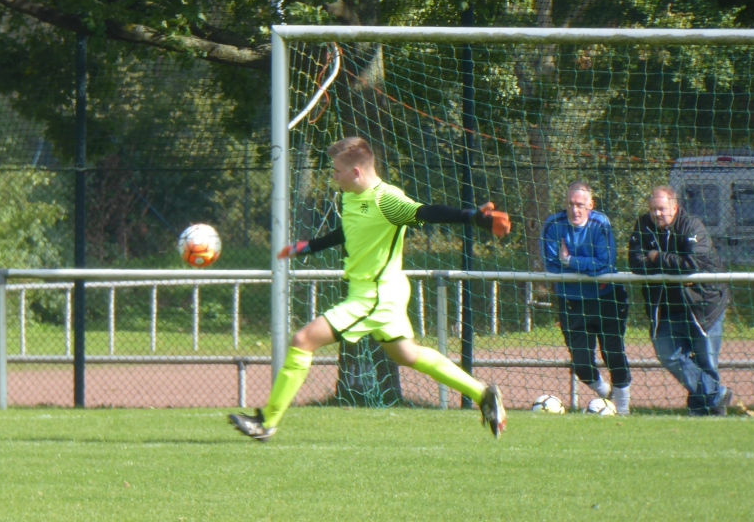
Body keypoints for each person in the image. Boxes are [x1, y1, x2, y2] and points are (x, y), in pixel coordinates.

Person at [228, 137, 512, 442]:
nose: (333, 176)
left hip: (374, 295)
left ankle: (267, 422)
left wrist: (471, 217)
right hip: (378, 291)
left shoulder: (386, 199)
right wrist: (311, 246)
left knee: (303, 340)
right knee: (407, 354)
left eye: (337, 171)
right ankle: (482, 392)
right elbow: (351, 230)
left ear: (356, 172)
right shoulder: (351, 196)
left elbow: (425, 212)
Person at [628, 185, 732, 416]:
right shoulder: (643, 225)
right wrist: (672, 267)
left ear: (674, 208)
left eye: (661, 209)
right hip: (667, 307)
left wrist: (656, 256)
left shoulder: (692, 226)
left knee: (706, 362)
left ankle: (705, 412)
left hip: (703, 304)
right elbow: (636, 263)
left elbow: (692, 264)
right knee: (667, 353)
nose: (656, 214)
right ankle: (716, 395)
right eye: (652, 209)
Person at [541, 182, 632, 414]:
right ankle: (606, 394)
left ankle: (623, 412)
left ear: (591, 205)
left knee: (613, 354)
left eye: (580, 204)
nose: (575, 210)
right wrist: (585, 267)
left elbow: (605, 264)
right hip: (571, 301)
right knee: (581, 363)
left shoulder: (600, 224)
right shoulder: (553, 225)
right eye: (570, 204)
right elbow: (552, 267)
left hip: (606, 298)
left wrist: (570, 261)